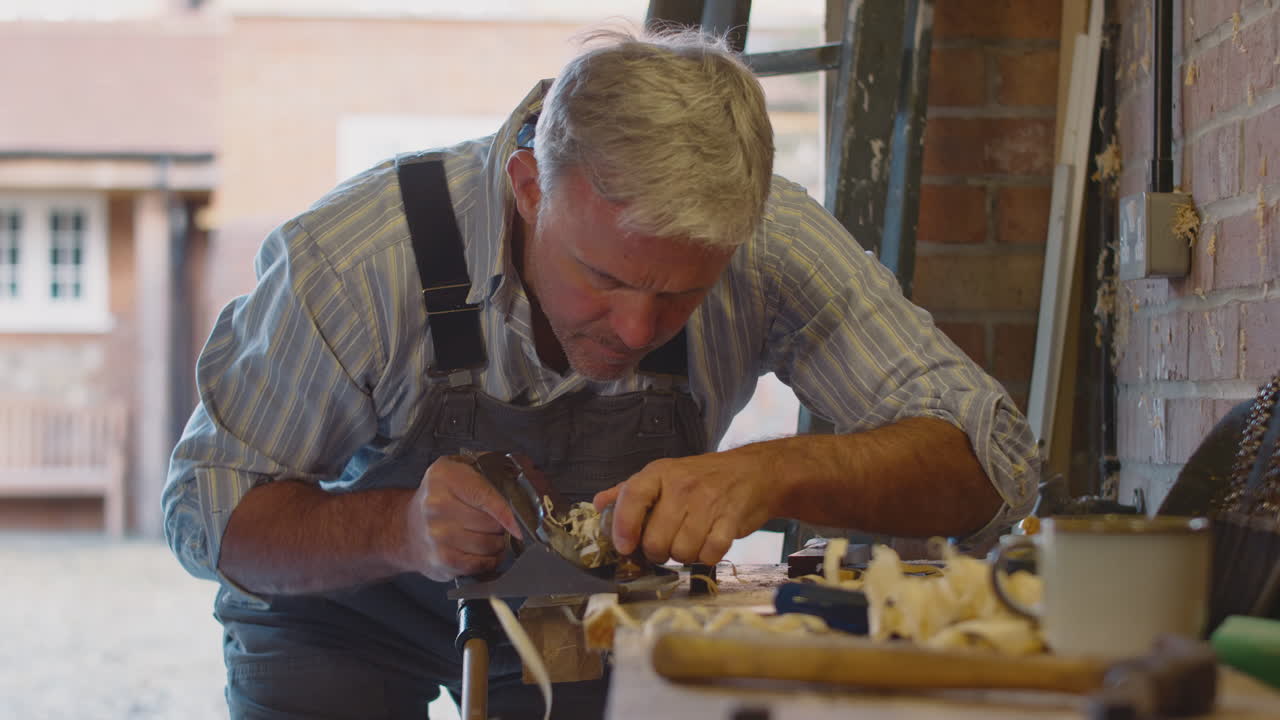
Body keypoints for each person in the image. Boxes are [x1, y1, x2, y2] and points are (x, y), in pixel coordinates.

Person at [163, 28, 1038, 719]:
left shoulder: (770, 242)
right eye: (606, 278)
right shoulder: (358, 261)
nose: (635, 330)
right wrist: (402, 531)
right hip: (344, 616)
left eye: (682, 295)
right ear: (530, 186)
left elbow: (993, 464)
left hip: (581, 622)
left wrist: (774, 471)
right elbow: (209, 514)